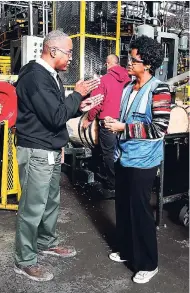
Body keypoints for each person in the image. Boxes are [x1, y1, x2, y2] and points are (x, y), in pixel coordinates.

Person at [14, 30, 103, 282]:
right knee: (33, 207)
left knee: (50, 202)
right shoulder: (34, 76)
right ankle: (25, 260)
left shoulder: (50, 76)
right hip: (36, 152)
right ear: (52, 51)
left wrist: (78, 107)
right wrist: (77, 94)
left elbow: (56, 114)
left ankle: (45, 242)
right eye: (69, 52)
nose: (71, 58)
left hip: (50, 149)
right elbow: (54, 116)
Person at [104, 36, 171, 283]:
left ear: (148, 64)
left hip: (143, 161)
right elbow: (125, 116)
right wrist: (110, 120)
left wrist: (123, 127)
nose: (128, 63)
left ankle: (148, 263)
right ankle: (127, 251)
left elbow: (159, 129)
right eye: (129, 58)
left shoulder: (159, 89)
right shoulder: (127, 88)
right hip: (124, 156)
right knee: (122, 206)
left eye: (134, 59)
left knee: (140, 211)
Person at [83, 54, 130, 198]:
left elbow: (96, 102)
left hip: (108, 123)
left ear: (108, 64)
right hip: (124, 123)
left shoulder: (104, 80)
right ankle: (125, 182)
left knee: (108, 154)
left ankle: (111, 185)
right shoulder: (128, 79)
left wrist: (89, 119)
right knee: (122, 152)